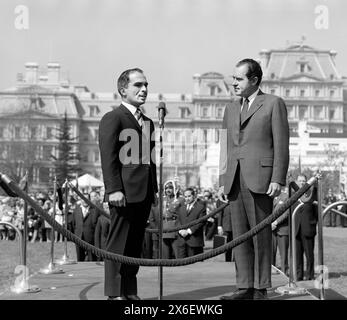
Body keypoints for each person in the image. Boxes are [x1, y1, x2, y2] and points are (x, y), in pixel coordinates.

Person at [219, 58, 289, 300]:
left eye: (239, 79)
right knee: (239, 236)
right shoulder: (229, 108)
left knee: (260, 236)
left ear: (254, 80)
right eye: (234, 78)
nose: (234, 83)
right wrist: (222, 179)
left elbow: (281, 144)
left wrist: (278, 178)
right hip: (234, 180)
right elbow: (225, 146)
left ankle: (260, 288)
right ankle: (244, 286)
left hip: (261, 179)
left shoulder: (273, 103)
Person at [99, 68, 158, 300]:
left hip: (143, 194)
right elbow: (109, 156)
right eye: (138, 85)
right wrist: (113, 189)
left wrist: (153, 189)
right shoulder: (113, 118)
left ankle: (129, 292)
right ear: (123, 90)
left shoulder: (149, 123)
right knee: (117, 245)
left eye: (146, 85)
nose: (144, 90)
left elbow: (149, 160)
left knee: (134, 246)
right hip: (122, 192)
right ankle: (114, 294)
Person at [294, 174, 318, 281]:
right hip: (296, 230)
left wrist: (312, 224)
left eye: (304, 181)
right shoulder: (293, 194)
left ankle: (310, 275)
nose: (302, 183)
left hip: (308, 229)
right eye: (300, 181)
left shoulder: (312, 193)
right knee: (298, 256)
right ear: (297, 182)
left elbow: (317, 212)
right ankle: (299, 276)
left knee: (309, 256)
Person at [176, 188, 206, 258]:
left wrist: (189, 231)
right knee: (181, 266)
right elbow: (178, 221)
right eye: (185, 197)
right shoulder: (181, 208)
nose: (187, 198)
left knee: (195, 266)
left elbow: (201, 222)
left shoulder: (201, 207)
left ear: (194, 196)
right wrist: (180, 230)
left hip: (194, 242)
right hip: (182, 241)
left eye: (189, 196)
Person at [71, 193, 100, 262]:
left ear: (89, 199)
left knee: (92, 259)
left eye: (86, 198)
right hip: (78, 238)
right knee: (80, 259)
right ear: (80, 200)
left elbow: (97, 226)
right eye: (82, 199)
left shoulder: (95, 210)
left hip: (90, 239)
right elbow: (73, 224)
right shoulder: (76, 209)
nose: (84, 200)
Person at [272, 186, 290, 276]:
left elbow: (287, 212)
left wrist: (276, 222)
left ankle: (284, 273)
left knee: (283, 254)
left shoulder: (286, 196)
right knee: (271, 252)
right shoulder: (270, 195)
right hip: (270, 229)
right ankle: (271, 270)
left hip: (282, 229)